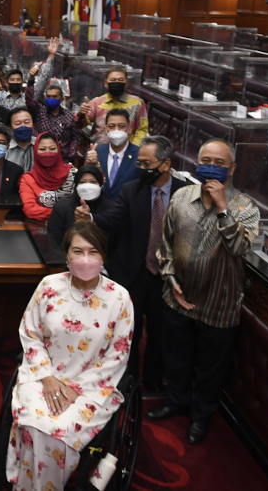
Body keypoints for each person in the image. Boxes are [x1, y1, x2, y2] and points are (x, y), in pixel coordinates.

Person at [6, 221, 134, 491]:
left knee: (57, 430)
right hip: (42, 376)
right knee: (34, 422)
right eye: (77, 251)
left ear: (103, 256)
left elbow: (117, 356)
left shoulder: (119, 298)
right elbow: (31, 334)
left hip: (93, 387)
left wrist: (75, 390)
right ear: (66, 256)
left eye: (93, 252)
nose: (85, 259)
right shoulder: (49, 285)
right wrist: (48, 379)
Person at [148, 138, 260, 445]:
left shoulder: (245, 207)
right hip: (177, 297)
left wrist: (224, 208)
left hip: (218, 305)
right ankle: (176, 401)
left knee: (210, 369)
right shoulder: (182, 196)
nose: (211, 167)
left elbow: (239, 247)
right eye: (206, 160)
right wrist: (171, 280)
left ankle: (201, 417)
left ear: (232, 169)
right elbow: (165, 244)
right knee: (177, 359)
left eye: (219, 163)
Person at [79, 136, 189, 391]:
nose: (141, 169)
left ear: (166, 164)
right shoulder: (132, 189)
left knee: (160, 334)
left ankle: (153, 382)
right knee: (130, 331)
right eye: (138, 163)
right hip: (134, 272)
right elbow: (114, 218)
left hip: (167, 276)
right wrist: (91, 217)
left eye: (146, 163)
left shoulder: (184, 192)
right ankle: (127, 382)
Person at [26, 40, 77, 163]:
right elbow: (29, 100)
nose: (51, 99)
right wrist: (31, 79)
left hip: (62, 160)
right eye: (48, 96)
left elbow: (74, 139)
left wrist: (68, 158)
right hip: (39, 158)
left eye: (55, 97)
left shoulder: (69, 117)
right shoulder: (40, 111)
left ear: (62, 99)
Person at [76, 66, 148, 145]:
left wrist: (134, 149)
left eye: (120, 80)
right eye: (113, 80)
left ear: (126, 83)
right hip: (99, 150)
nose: (117, 83)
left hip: (127, 151)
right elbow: (79, 125)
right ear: (105, 83)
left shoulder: (137, 103)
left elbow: (142, 130)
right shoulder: (96, 102)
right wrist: (81, 114)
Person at [18, 132, 75, 220]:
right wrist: (61, 214)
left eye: (52, 149)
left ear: (58, 149)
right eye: (42, 149)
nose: (47, 153)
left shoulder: (72, 172)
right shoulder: (28, 179)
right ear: (35, 151)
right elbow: (29, 209)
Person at [86, 109, 140, 202]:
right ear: (105, 130)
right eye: (111, 126)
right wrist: (90, 166)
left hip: (126, 212)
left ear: (129, 130)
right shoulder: (94, 152)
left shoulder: (140, 155)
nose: (116, 130)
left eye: (121, 126)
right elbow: (87, 185)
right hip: (99, 211)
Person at [48, 165, 107, 250]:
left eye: (93, 182)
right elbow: (54, 241)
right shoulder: (61, 208)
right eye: (83, 182)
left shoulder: (111, 209)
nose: (88, 186)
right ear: (76, 185)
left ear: (100, 184)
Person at [6, 108, 36, 172]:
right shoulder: (5, 148)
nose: (23, 126)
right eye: (18, 123)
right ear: (10, 128)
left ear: (33, 125)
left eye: (27, 122)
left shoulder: (41, 145)